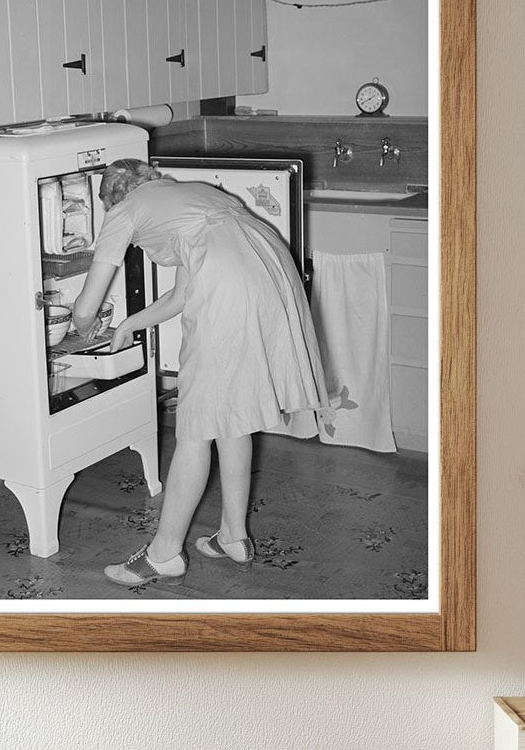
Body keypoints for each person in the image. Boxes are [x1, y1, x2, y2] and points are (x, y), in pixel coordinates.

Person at [71, 159, 331, 587]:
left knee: (194, 427)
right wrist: (128, 325)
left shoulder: (124, 211)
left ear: (112, 197)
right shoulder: (188, 197)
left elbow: (84, 307)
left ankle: (163, 554)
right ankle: (233, 535)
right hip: (269, 269)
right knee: (233, 413)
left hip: (228, 285)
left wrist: (82, 330)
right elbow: (180, 294)